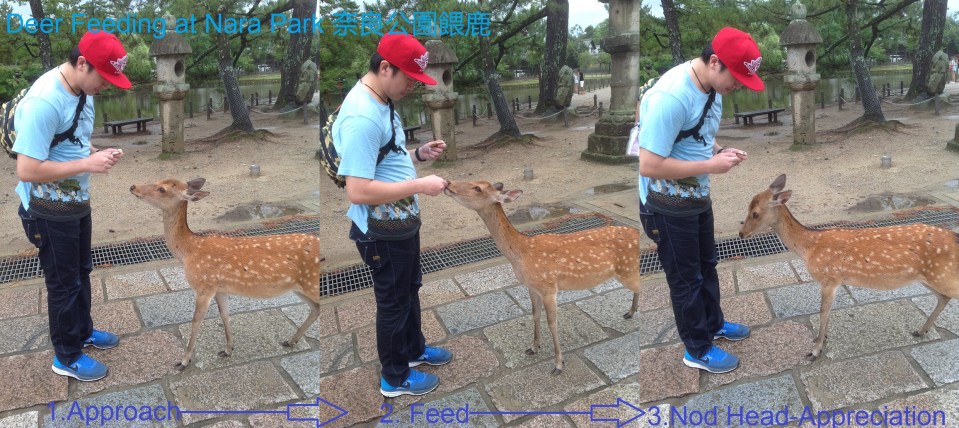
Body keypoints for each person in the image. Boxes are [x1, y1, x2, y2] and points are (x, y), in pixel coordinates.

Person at [637, 27, 762, 374]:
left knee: (707, 266)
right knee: (685, 279)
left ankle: (712, 324)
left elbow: (699, 134)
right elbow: (648, 164)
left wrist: (721, 150)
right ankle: (697, 348)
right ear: (714, 62)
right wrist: (712, 165)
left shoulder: (711, 86)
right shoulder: (671, 97)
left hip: (696, 198)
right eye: (735, 78)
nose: (737, 86)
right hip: (665, 206)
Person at [332, 33, 451, 397]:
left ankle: (413, 351)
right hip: (381, 230)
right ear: (385, 68)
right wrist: (418, 185)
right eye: (410, 80)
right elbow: (358, 189)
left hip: (400, 223)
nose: (412, 88)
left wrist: (417, 155)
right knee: (394, 302)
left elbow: (384, 160)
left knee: (408, 291)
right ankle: (394, 378)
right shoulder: (363, 116)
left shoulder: (381, 99)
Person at [13, 31, 131, 382]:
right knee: (63, 284)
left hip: (76, 203)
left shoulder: (81, 89)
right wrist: (85, 165)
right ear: (82, 63)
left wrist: (93, 152)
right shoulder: (44, 101)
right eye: (104, 78)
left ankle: (81, 332)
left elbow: (71, 139)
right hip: (48, 211)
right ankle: (66, 355)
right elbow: (27, 169)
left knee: (81, 273)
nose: (105, 87)